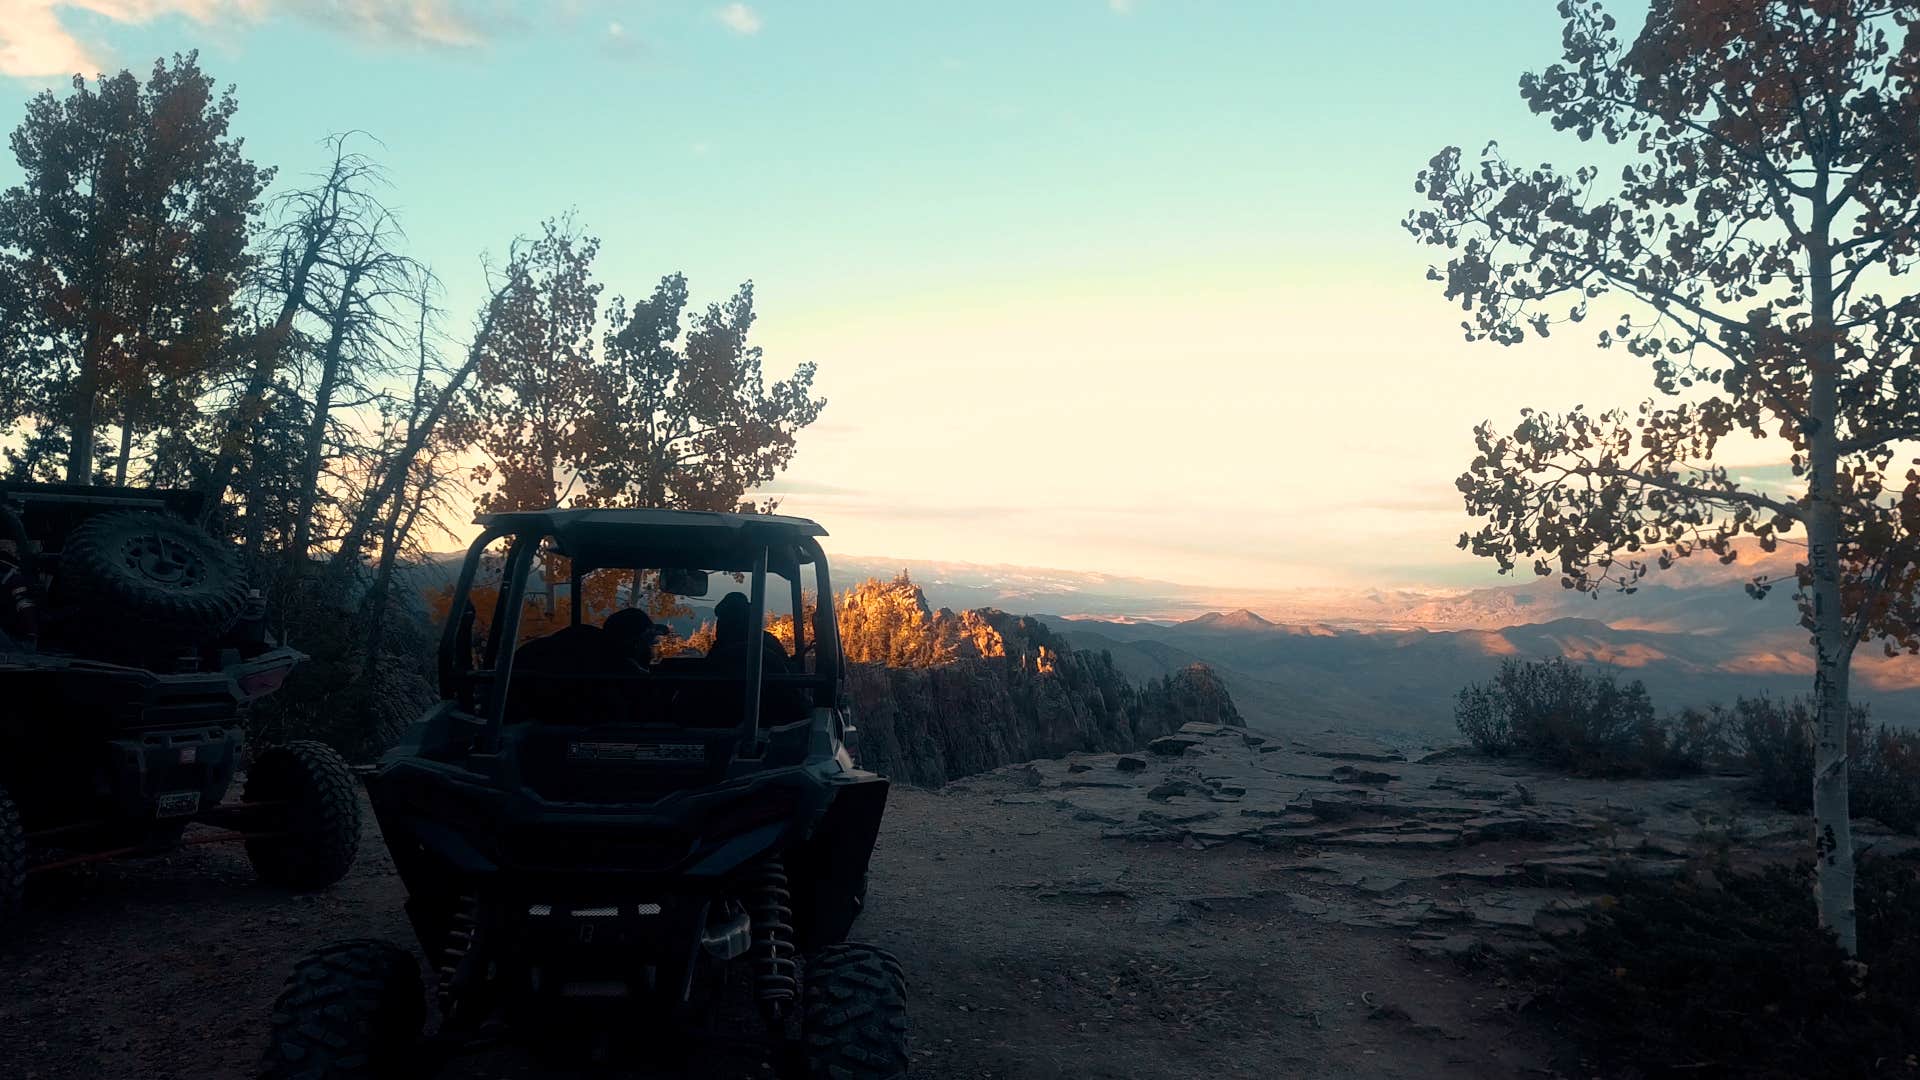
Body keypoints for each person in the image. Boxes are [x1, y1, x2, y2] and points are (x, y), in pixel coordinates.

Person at [0, 538, 38, 645]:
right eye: (16, 552)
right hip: (9, 635)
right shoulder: (14, 577)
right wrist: (32, 632)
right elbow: (24, 606)